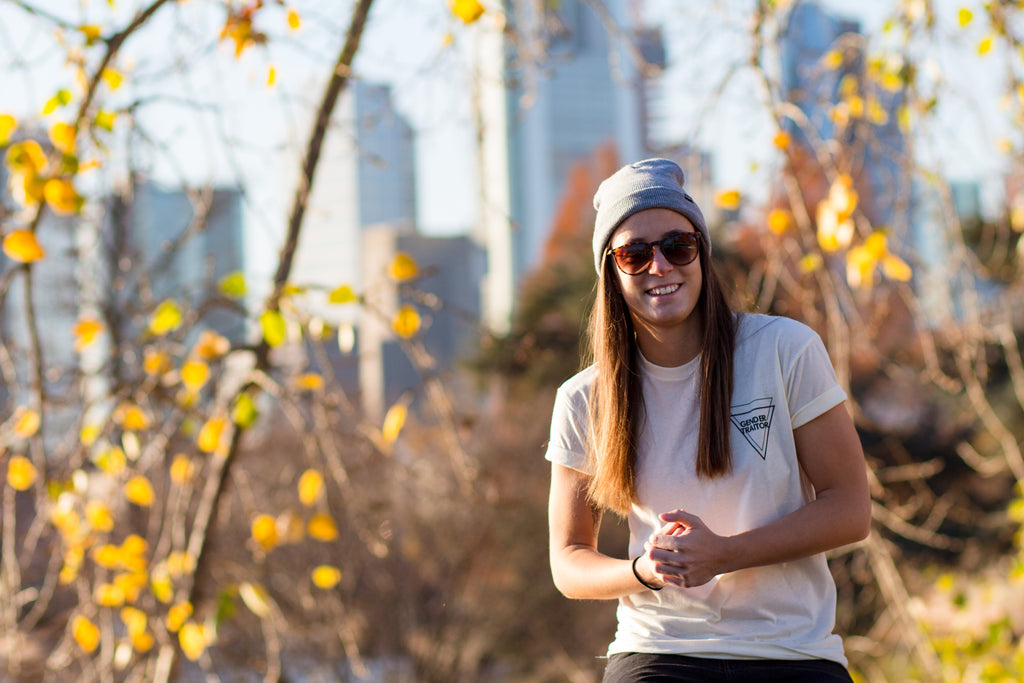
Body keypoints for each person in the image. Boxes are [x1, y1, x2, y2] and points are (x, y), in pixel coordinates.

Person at [546, 158, 871, 682]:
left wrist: (725, 553)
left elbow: (851, 509)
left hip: (790, 652)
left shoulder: (784, 350)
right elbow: (568, 560)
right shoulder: (585, 398)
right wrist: (643, 572)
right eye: (634, 254)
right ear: (611, 269)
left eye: (677, 246)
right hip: (658, 653)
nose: (660, 267)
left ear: (700, 251)